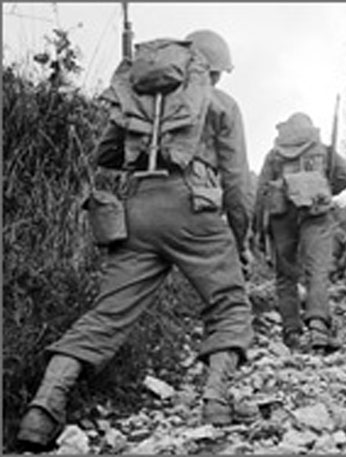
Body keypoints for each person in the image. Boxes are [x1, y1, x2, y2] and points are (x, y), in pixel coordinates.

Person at [17, 29, 256, 451]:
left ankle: (41, 409)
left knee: (107, 314)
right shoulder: (222, 104)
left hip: (138, 208)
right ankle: (215, 402)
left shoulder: (137, 98)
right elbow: (237, 183)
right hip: (195, 208)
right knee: (228, 303)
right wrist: (242, 238)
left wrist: (146, 142)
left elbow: (106, 154)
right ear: (214, 70)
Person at [253, 112, 346, 351]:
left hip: (281, 217)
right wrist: (325, 188)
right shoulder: (322, 150)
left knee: (285, 275)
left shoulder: (274, 154)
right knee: (317, 270)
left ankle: (291, 331)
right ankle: (319, 327)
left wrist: (257, 228)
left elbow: (261, 194)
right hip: (316, 213)